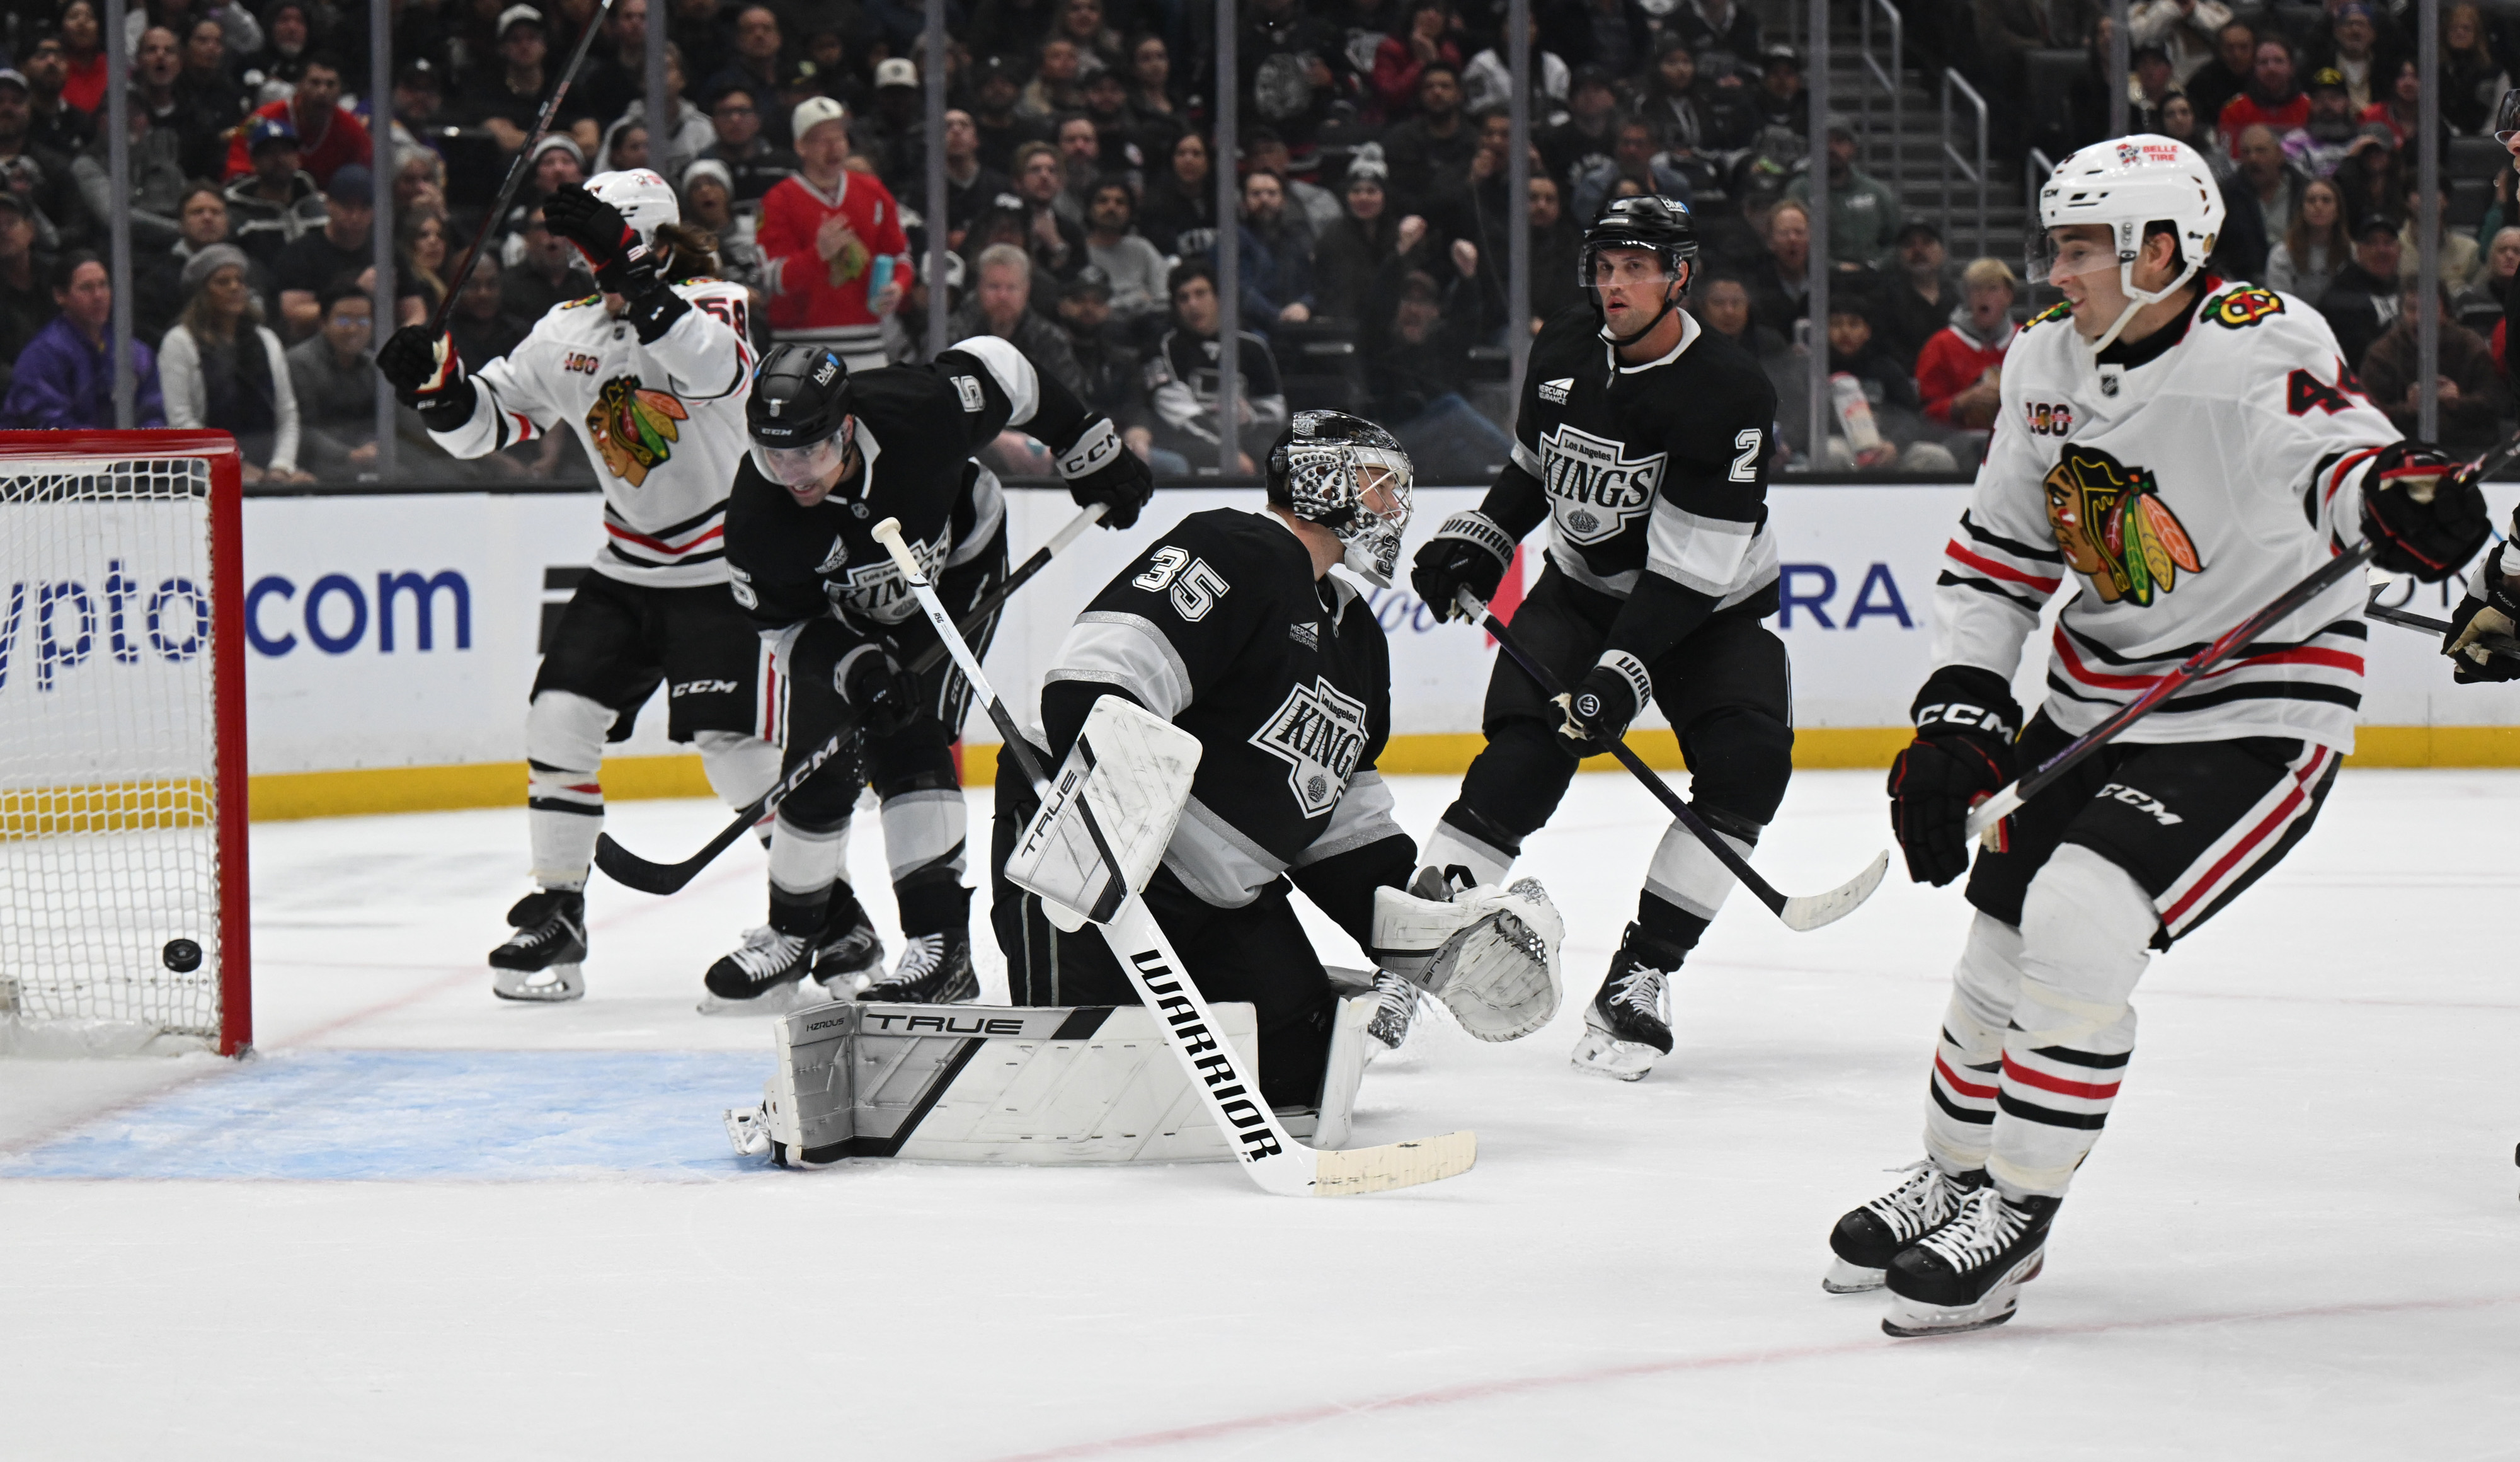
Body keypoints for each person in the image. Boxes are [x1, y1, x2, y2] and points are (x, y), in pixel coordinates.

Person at [1832, 133, 2487, 1338]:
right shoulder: (2044, 358)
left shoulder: (2259, 338)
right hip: (2094, 703)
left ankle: (2017, 1214)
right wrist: (1961, 707)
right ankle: (1954, 1174)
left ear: (2161, 251)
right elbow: (2001, 553)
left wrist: (2388, 497)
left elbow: (2332, 451)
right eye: (2058, 245)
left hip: (2254, 708)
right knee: (1998, 939)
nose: (2057, 270)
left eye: (2082, 247)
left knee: (2081, 919)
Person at [375, 171, 782, 1005]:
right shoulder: (567, 329)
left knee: (737, 752)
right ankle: (558, 911)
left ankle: (827, 915)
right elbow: (488, 426)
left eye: (598, 241)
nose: (581, 263)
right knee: (558, 720)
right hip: (628, 566)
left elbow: (718, 373)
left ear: (644, 241)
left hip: (722, 568)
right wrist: (439, 393)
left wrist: (630, 270)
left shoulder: (714, 303)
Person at [1409, 195, 1787, 1081]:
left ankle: (1641, 976)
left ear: (1678, 278)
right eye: (1605, 267)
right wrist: (1484, 537)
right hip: (1579, 596)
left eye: (1636, 269)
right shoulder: (1566, 346)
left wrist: (1621, 674)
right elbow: (1533, 468)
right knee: (1517, 767)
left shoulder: (1728, 391)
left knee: (1748, 764)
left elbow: (1690, 568)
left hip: (1709, 610)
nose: (1614, 285)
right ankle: (1408, 963)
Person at [993, 412, 1475, 1092]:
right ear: (1320, 480)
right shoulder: (1234, 547)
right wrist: (1127, 840)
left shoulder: (1358, 636)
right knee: (1085, 1081)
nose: (1393, 505)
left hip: (1218, 894)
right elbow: (1092, 684)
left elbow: (1340, 819)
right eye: (1378, 483)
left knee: (1305, 1076)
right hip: (1088, 847)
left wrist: (1411, 919)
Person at [715, 337, 1150, 1005]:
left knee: (909, 735)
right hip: (846, 616)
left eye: (811, 452)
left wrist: (1086, 445)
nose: (794, 474)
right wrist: (858, 666)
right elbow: (785, 626)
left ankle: (942, 948)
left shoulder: (918, 410)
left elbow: (1004, 366)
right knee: (816, 751)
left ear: (848, 429)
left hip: (956, 576)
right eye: (776, 455)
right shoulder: (757, 517)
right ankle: (797, 931)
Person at [759, 96, 910, 374]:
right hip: (798, 354)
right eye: (822, 140)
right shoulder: (778, 201)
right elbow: (772, 280)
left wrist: (898, 286)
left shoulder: (874, 192)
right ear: (801, 146)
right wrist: (818, 255)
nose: (834, 147)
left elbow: (900, 256)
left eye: (839, 137)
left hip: (867, 347)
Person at [158, 241, 305, 483]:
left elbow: (287, 414)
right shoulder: (180, 342)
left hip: (269, 468)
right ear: (202, 292)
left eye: (240, 280)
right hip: (203, 473)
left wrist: (281, 467)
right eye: (223, 282)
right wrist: (235, 465)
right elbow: (181, 422)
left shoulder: (267, 339)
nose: (235, 287)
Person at [1364, 266, 1513, 482]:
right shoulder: (1381, 345)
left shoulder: (1443, 347)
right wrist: (1396, 260)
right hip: (1395, 440)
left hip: (1436, 443)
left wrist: (1469, 277)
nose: (1413, 309)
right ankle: (1519, 464)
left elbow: (1468, 318)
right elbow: (1372, 315)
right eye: (1407, 300)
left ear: (1435, 311)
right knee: (1452, 409)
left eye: (1422, 302)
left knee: (1465, 455)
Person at [1146, 259, 1287, 474]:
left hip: (1247, 438)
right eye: (1184, 298)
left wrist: (1248, 416)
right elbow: (1179, 415)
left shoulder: (1253, 347)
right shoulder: (1164, 348)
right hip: (1190, 443)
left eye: (1201, 294)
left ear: (1219, 298)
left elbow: (1276, 410)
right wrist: (1228, 452)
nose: (1193, 305)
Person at [2, 251, 165, 427]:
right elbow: (49, 423)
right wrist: (104, 444)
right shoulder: (42, 356)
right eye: (86, 288)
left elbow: (153, 411)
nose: (98, 296)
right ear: (60, 295)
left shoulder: (135, 353)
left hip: (120, 444)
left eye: (103, 285)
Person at [2360, 282, 2506, 455]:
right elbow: (2367, 413)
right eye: (2411, 309)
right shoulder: (2383, 354)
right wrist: (2409, 408)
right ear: (2400, 313)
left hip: (2471, 448)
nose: (2420, 318)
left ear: (2446, 312)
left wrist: (2457, 401)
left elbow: (2497, 402)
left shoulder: (2470, 346)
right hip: (2405, 450)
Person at [948, 241, 1082, 401]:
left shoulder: (1050, 342)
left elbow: (1069, 402)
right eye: (994, 287)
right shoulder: (952, 335)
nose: (1003, 296)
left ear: (1027, 290)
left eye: (1012, 288)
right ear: (979, 287)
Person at [220, 52, 369, 185]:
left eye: (330, 85)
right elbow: (235, 171)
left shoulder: (352, 130)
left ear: (340, 90)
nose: (322, 92)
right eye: (315, 83)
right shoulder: (261, 119)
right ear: (299, 86)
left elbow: (369, 175)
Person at [287, 280, 387, 478]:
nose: (353, 329)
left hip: (368, 460)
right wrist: (348, 454)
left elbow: (383, 420)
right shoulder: (299, 363)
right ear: (323, 323)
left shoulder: (374, 366)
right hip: (316, 464)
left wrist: (376, 446)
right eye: (343, 321)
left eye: (363, 321)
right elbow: (302, 428)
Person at [1915, 258, 2020, 432]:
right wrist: (1959, 404)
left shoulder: (2026, 341)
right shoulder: (1941, 345)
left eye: (1993, 289)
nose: (1983, 295)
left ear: (2008, 296)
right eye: (1976, 289)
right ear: (1967, 296)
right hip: (1958, 440)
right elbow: (1924, 413)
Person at [1784, 115, 1900, 269]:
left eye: (1839, 141)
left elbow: (1897, 243)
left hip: (1872, 277)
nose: (1831, 148)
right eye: (1824, 141)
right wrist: (1835, 267)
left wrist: (1874, 266)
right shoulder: (1800, 191)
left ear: (1853, 148)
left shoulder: (1877, 193)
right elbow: (1791, 243)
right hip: (1816, 278)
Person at [224, 117, 328, 272]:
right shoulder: (236, 219)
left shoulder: (322, 209)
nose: (279, 159)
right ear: (253, 163)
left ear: (298, 159)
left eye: (286, 151)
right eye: (269, 153)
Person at [2317, 212, 2406, 366]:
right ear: (2359, 251)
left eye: (2388, 243)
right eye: (2372, 243)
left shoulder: (2408, 291)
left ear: (2399, 250)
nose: (2381, 250)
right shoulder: (2340, 299)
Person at [1080, 178, 1167, 325]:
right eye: (1103, 201)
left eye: (1120, 202)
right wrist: (1138, 299)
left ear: (1130, 211)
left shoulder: (1142, 248)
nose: (1111, 208)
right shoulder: (1079, 252)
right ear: (1090, 209)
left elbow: (1163, 297)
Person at [1237, 168, 1316, 328]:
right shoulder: (1233, 240)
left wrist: (1305, 305)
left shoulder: (1300, 237)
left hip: (1299, 322)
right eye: (1256, 194)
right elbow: (1239, 290)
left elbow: (1319, 281)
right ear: (1244, 202)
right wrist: (1278, 317)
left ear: (1284, 201)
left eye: (1272, 193)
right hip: (1251, 326)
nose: (1264, 199)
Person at [701, 86, 799, 206]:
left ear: (758, 120)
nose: (735, 119)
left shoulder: (787, 167)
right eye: (725, 113)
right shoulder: (701, 173)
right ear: (713, 123)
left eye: (743, 111)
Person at [1877, 222, 1956, 371]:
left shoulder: (1956, 297)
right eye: (1909, 245)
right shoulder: (1885, 299)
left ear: (1943, 252)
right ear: (1899, 255)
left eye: (1927, 243)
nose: (1918, 250)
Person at [2217, 38, 2308, 157]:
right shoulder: (2234, 110)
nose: (2271, 68)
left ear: (2292, 67)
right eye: (2263, 62)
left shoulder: (2309, 106)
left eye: (2279, 61)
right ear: (2254, 68)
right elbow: (2228, 159)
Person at [2268, 176, 2351, 302]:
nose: (2318, 206)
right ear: (2302, 210)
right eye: (2311, 201)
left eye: (2326, 200)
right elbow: (2281, 303)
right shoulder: (2282, 254)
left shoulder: (2351, 253)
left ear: (2338, 210)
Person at [1138, 130, 1215, 259]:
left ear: (1208, 161)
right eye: (1181, 153)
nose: (1188, 160)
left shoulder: (1221, 199)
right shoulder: (1155, 204)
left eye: (1196, 154)